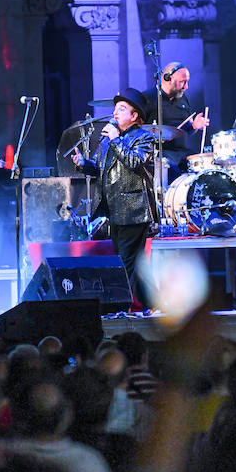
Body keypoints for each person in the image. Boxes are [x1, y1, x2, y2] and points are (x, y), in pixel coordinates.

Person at [72, 87, 159, 308]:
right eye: (115, 109)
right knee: (134, 263)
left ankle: (121, 308)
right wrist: (84, 165)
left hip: (134, 209)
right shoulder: (109, 140)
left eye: (122, 109)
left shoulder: (144, 138)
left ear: (135, 116)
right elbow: (101, 168)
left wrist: (115, 140)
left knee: (126, 263)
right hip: (114, 209)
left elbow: (133, 162)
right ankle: (154, 303)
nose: (115, 113)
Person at [146, 62, 209, 171]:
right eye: (182, 82)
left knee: (204, 167)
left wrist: (194, 126)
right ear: (168, 79)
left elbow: (188, 130)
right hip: (161, 154)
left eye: (187, 82)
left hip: (182, 153)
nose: (186, 87)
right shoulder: (148, 98)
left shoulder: (183, 99)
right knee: (173, 170)